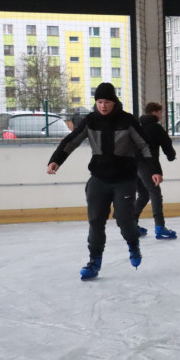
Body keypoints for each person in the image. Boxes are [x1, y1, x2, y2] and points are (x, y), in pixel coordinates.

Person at [46, 83, 156, 280]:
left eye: (106, 102)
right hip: (99, 179)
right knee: (96, 221)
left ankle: (133, 244)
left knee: (124, 219)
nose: (103, 106)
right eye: (99, 102)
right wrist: (56, 160)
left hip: (124, 179)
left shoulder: (127, 120)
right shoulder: (90, 121)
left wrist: (155, 170)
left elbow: (144, 145)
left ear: (114, 102)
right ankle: (94, 260)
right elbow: (71, 141)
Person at [134, 102, 178, 239]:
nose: (161, 115)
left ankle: (131, 225)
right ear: (154, 112)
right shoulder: (155, 127)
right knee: (155, 194)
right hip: (148, 166)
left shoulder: (137, 126)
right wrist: (171, 156)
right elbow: (166, 144)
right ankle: (160, 227)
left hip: (132, 165)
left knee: (143, 194)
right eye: (160, 112)